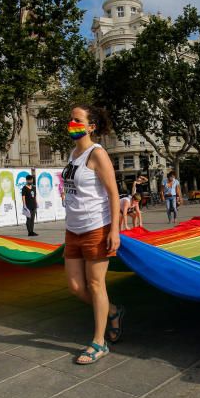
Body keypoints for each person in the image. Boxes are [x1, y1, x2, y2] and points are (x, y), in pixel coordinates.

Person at [62, 104, 124, 364]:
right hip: (72, 230)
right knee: (76, 287)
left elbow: (113, 193)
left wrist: (114, 230)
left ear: (91, 126)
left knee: (96, 285)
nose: (72, 123)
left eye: (77, 120)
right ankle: (113, 311)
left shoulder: (97, 153)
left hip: (96, 228)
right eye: (71, 119)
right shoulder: (73, 154)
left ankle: (98, 343)